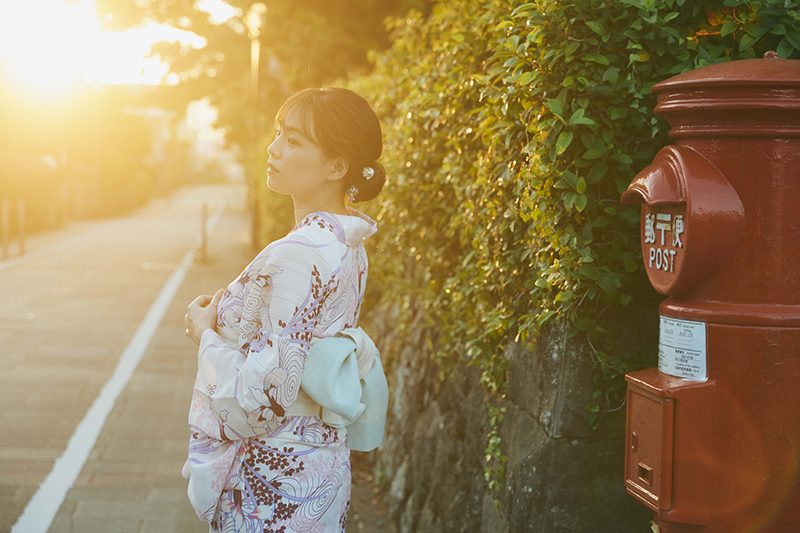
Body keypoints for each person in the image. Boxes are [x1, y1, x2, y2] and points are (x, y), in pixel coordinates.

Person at [182, 87, 387, 532]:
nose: (273, 148)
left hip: (273, 482)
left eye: (293, 141)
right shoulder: (347, 242)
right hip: (320, 468)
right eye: (279, 133)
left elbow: (263, 398)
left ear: (336, 167)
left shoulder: (298, 253)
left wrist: (206, 336)